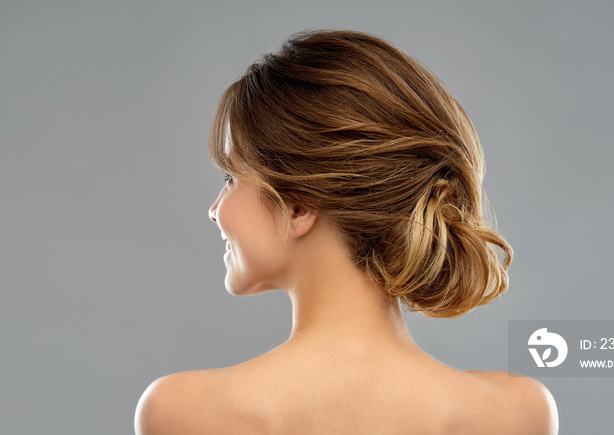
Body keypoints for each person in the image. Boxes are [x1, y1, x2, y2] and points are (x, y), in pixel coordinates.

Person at [135, 29, 558, 434]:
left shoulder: (181, 414)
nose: (214, 211)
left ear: (298, 205)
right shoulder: (517, 413)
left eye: (231, 177)